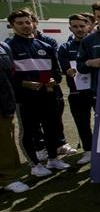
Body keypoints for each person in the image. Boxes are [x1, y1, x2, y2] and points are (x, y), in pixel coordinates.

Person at [5, 10, 69, 176]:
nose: (25, 26)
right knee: (28, 131)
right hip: (25, 99)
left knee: (51, 128)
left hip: (47, 96)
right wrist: (24, 83)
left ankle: (53, 159)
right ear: (12, 26)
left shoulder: (45, 46)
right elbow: (6, 77)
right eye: (20, 23)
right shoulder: (9, 47)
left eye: (27, 22)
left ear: (33, 23)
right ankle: (34, 165)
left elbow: (56, 72)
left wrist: (54, 81)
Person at [57, 14, 94, 165]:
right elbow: (65, 67)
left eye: (82, 26)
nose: (79, 29)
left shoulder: (95, 44)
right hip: (77, 92)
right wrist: (69, 71)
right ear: (70, 28)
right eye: (75, 26)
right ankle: (88, 151)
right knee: (82, 123)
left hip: (97, 91)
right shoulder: (65, 47)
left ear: (88, 27)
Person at [0, 40, 29, 193]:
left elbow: (11, 75)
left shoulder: (3, 47)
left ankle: (8, 178)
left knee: (5, 141)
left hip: (3, 103)